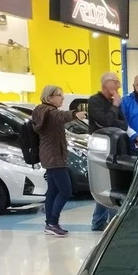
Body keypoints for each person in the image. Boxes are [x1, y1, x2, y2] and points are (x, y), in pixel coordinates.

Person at [32, 85, 85, 237]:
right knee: (65, 190)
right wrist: (75, 114)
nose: (62, 98)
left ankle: (49, 223)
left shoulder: (41, 111)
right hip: (55, 157)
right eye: (59, 95)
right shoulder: (49, 112)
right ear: (50, 97)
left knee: (53, 191)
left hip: (49, 156)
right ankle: (53, 222)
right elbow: (61, 116)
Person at [87, 72, 128, 231]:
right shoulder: (95, 101)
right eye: (116, 82)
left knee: (111, 184)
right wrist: (115, 107)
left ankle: (100, 222)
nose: (119, 86)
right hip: (101, 151)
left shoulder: (114, 101)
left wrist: (113, 115)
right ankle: (110, 224)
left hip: (116, 148)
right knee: (105, 183)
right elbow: (105, 122)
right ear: (106, 83)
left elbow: (123, 124)